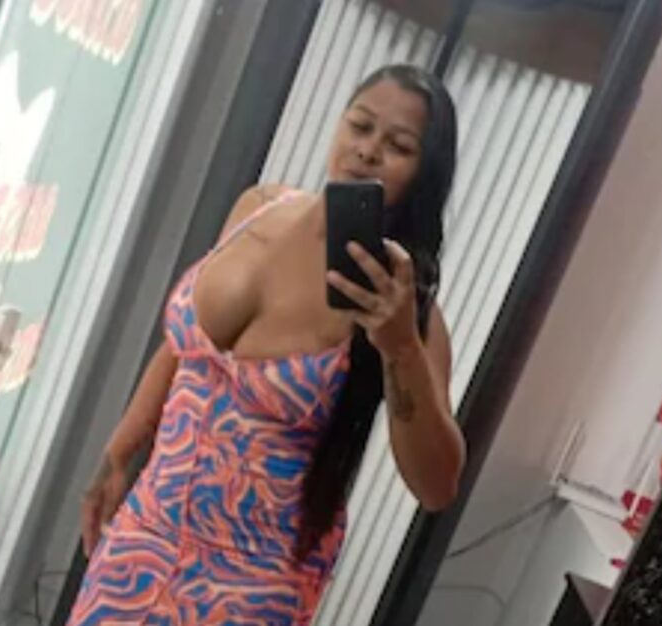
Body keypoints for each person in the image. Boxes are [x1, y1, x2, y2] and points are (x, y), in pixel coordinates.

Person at [68, 64, 466, 626]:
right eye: (360, 125)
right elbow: (184, 351)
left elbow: (438, 485)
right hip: (145, 537)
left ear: (424, 175)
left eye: (398, 146)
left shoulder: (406, 312)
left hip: (253, 583)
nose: (368, 150)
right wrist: (116, 456)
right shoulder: (258, 207)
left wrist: (400, 347)